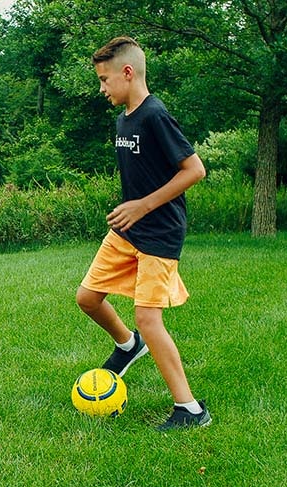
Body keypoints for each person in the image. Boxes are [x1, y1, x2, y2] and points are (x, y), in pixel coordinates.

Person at [76, 36, 210, 431]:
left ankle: (189, 410)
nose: (102, 88)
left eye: (105, 80)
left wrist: (142, 206)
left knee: (149, 319)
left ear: (127, 73)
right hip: (128, 231)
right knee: (87, 297)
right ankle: (127, 345)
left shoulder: (155, 115)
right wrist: (129, 209)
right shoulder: (123, 119)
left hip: (159, 234)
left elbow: (194, 171)